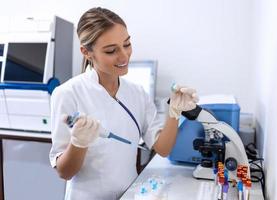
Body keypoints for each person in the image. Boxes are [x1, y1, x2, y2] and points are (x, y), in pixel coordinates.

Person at [49, 7, 198, 200]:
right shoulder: (68, 93)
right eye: (111, 50)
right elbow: (64, 172)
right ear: (86, 52)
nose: (124, 56)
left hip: (130, 195)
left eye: (126, 44)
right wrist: (79, 143)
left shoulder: (137, 93)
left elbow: (163, 148)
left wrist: (174, 112)